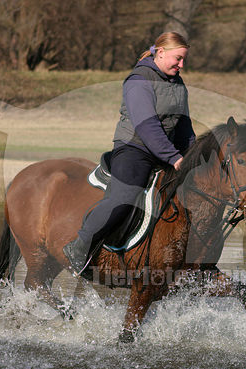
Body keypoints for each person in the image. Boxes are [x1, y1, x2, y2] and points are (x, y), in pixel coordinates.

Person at [64, 32, 196, 273]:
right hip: (134, 149)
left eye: (184, 60)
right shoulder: (138, 80)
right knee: (124, 197)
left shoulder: (178, 83)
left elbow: (185, 127)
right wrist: (174, 158)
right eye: (178, 59)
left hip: (164, 152)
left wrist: (192, 157)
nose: (181, 65)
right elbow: (147, 126)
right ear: (161, 52)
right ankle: (80, 244)